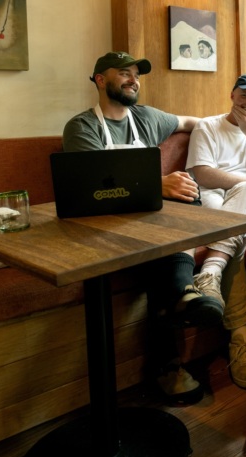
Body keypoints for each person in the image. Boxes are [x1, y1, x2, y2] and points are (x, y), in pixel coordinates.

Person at [63, 51, 222, 405]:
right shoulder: (81, 127)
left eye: (136, 74)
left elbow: (191, 122)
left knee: (186, 190)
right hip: (104, 230)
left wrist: (231, 131)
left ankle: (176, 320)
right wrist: (157, 185)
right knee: (162, 249)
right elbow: (94, 185)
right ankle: (181, 296)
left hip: (150, 226)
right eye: (124, 73)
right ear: (100, 80)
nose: (134, 80)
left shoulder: (147, 118)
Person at [185, 74, 246, 389]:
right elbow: (203, 174)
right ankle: (240, 338)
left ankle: (210, 272)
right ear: (232, 96)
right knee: (235, 232)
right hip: (212, 198)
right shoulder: (208, 126)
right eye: (245, 96)